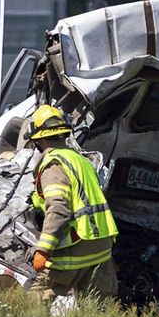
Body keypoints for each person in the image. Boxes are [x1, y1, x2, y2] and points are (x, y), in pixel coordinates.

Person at [26, 104, 119, 303]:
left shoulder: (53, 164)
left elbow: (59, 207)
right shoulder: (80, 160)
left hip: (77, 245)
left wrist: (43, 249)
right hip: (101, 246)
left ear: (39, 138)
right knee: (98, 312)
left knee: (34, 302)